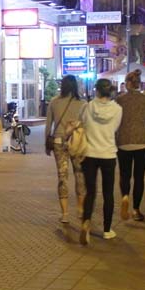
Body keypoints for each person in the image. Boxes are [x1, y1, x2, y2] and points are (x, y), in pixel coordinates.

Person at [79, 79, 122, 244]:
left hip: (90, 153)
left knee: (90, 192)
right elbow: (115, 129)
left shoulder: (88, 107)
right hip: (108, 154)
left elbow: (83, 124)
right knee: (108, 193)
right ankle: (107, 230)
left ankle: (86, 222)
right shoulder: (117, 109)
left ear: (96, 91)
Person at [45, 76, 86, 224]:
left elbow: (48, 125)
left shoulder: (54, 102)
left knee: (62, 177)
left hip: (59, 142)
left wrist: (46, 143)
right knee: (80, 175)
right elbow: (86, 125)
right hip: (77, 143)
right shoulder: (83, 103)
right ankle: (80, 209)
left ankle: (65, 213)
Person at [115, 71, 145, 223]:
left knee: (124, 174)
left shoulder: (119, 100)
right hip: (142, 141)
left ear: (127, 83)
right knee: (139, 177)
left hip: (123, 140)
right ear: (139, 84)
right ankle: (136, 210)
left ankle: (125, 196)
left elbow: (115, 121)